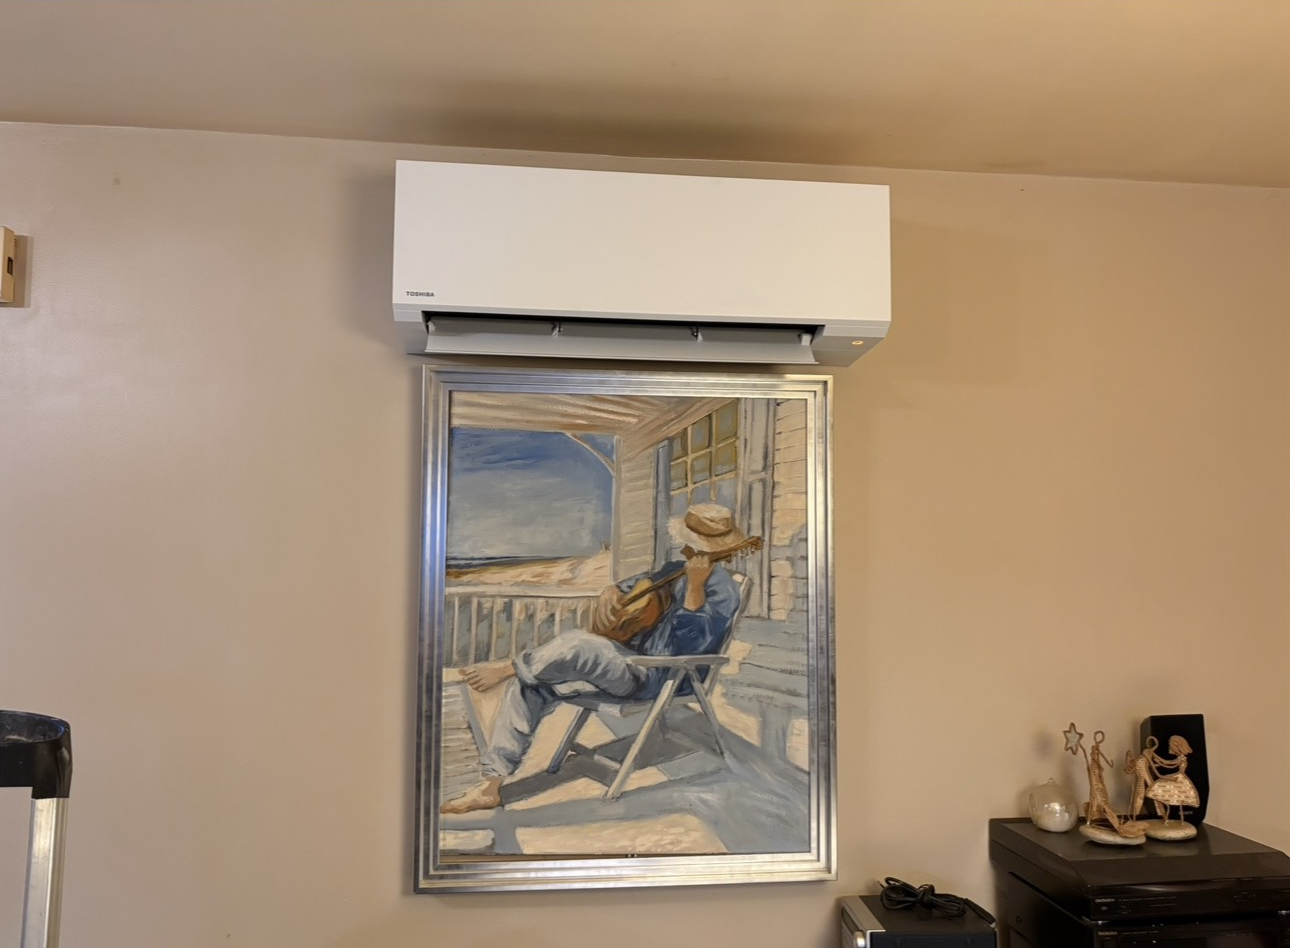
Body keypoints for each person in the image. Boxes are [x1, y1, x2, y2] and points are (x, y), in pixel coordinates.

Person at [440, 502, 747, 814]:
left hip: (661, 674)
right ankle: (491, 785)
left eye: (690, 545)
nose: (683, 549)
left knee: (579, 644)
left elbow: (691, 645)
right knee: (529, 686)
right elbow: (631, 588)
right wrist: (610, 593)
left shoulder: (723, 591)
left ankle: (507, 667)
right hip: (629, 662)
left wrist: (694, 590)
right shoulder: (672, 571)